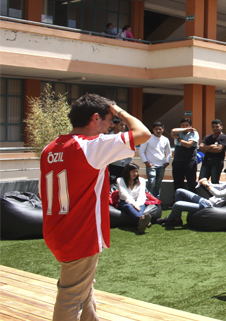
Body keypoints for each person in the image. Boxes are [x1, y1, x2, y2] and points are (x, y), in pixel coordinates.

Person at [40, 93, 151, 320]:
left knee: (84, 285)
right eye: (109, 119)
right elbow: (143, 133)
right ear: (95, 118)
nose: (112, 125)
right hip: (79, 233)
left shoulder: (50, 148)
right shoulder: (91, 146)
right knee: (70, 296)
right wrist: (118, 108)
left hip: (57, 229)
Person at [157, 166, 226, 227]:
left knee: (177, 204)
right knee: (179, 191)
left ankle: (168, 219)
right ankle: (177, 219)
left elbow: (218, 194)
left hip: (208, 206)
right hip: (205, 201)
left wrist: (207, 186)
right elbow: (219, 186)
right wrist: (206, 182)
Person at [139, 122, 172, 198]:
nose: (158, 131)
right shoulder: (148, 138)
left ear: (163, 130)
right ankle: (149, 200)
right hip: (151, 165)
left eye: (160, 129)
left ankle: (156, 201)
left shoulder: (165, 139)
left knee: (158, 184)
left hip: (161, 165)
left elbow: (168, 152)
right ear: (153, 129)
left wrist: (167, 162)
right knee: (152, 183)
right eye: (156, 129)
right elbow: (141, 151)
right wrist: (146, 163)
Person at [116, 163, 149, 233]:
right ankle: (144, 220)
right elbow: (124, 194)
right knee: (129, 207)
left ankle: (142, 221)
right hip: (124, 202)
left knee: (141, 207)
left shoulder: (142, 180)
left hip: (139, 202)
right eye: (133, 171)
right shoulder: (120, 180)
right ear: (128, 172)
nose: (135, 173)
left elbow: (142, 195)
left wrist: (138, 204)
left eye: (137, 171)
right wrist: (134, 204)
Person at [171, 118, 199, 194]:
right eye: (183, 125)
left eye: (187, 125)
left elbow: (188, 145)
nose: (184, 127)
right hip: (177, 161)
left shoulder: (194, 133)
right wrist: (184, 130)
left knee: (191, 182)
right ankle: (177, 200)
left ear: (191, 126)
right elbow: (173, 131)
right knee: (177, 182)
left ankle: (193, 201)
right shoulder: (178, 132)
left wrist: (179, 139)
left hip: (189, 161)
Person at [198, 119, 226, 184]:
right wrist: (211, 146)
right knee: (201, 181)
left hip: (217, 162)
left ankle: (214, 194)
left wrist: (206, 149)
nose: (215, 128)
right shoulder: (207, 137)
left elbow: (218, 149)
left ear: (221, 127)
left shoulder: (224, 137)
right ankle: (210, 194)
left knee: (214, 182)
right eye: (213, 126)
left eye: (217, 126)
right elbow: (200, 148)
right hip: (206, 161)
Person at [107, 117, 132, 185]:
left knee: (124, 184)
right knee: (113, 184)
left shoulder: (126, 137)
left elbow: (130, 149)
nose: (123, 127)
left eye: (124, 125)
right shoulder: (109, 137)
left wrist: (128, 161)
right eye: (121, 125)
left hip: (125, 165)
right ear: (115, 125)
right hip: (113, 165)